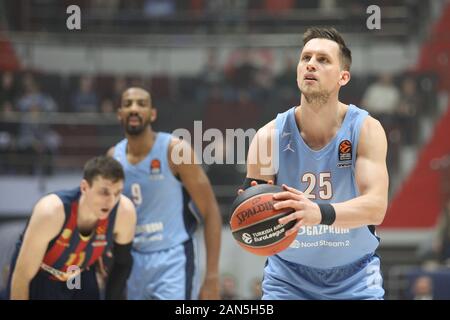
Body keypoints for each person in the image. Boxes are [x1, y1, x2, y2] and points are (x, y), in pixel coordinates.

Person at [239, 27, 389, 299]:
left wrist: (317, 212)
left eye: (323, 59)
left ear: (343, 76)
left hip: (355, 278)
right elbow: (255, 212)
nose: (310, 64)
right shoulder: (267, 136)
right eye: (305, 57)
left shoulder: (366, 129)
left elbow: (376, 208)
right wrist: (251, 207)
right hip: (288, 278)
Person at [108, 87, 222, 300]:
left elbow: (211, 211)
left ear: (152, 114)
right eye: (128, 104)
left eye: (141, 104)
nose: (134, 109)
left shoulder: (174, 150)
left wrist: (212, 275)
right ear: (119, 113)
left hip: (173, 258)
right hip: (131, 259)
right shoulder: (114, 157)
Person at [7, 155, 136, 299]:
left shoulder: (124, 212)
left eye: (117, 193)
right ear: (84, 187)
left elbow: (122, 263)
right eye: (104, 192)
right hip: (42, 275)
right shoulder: (51, 211)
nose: (111, 201)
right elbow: (22, 276)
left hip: (77, 274)